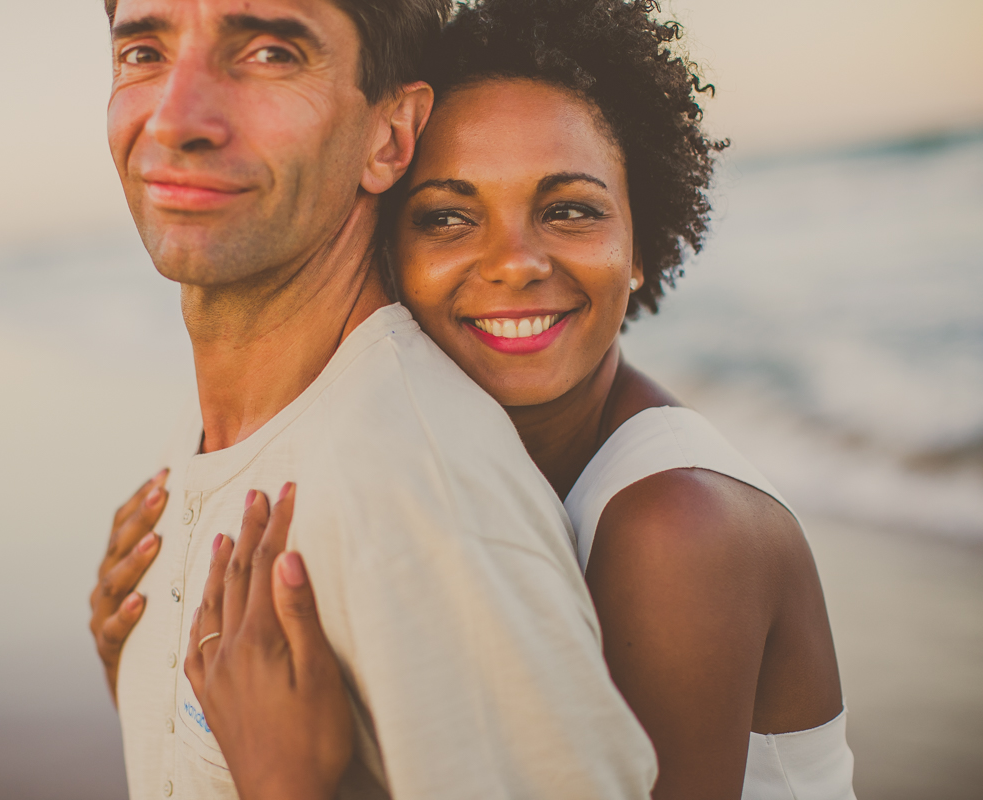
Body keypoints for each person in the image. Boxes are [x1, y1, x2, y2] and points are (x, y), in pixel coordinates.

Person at [94, 0, 858, 798]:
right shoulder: (416, 451)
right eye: (449, 218)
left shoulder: (675, 527)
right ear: (389, 240)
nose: (515, 264)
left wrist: (285, 782)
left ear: (640, 241)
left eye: (569, 210)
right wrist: (151, 671)